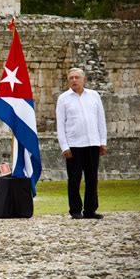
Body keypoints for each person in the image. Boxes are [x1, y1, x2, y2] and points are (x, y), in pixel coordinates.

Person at [56, 67, 107, 220]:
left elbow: (100, 119)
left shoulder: (94, 96)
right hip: (74, 145)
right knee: (74, 179)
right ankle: (75, 210)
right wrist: (64, 146)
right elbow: (60, 124)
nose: (74, 80)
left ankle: (91, 210)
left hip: (92, 143)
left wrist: (102, 142)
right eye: (71, 78)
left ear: (84, 79)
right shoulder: (63, 98)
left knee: (92, 178)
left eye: (77, 77)